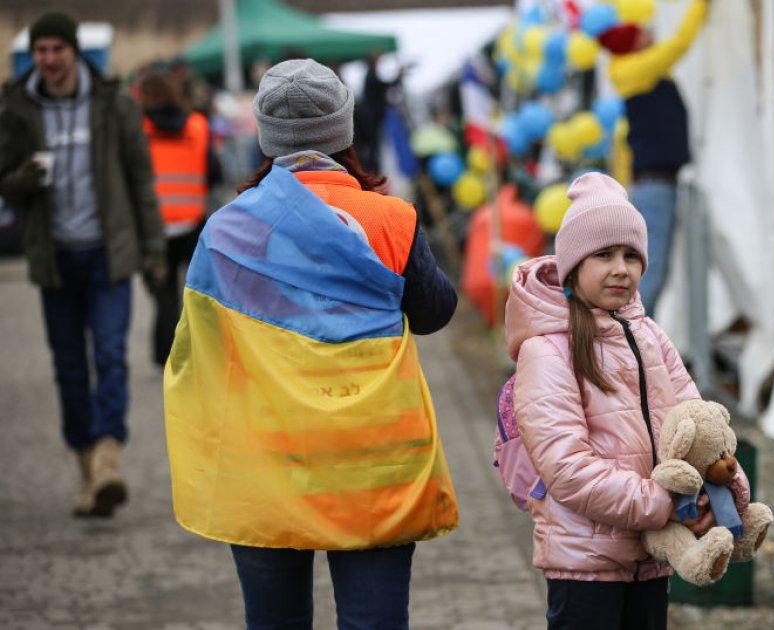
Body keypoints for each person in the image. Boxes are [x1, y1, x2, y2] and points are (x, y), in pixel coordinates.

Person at [163, 59, 458, 630]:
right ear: (343, 130)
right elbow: (435, 313)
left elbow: (196, 344)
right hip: (375, 464)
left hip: (267, 462)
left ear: (266, 134)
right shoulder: (391, 219)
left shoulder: (226, 230)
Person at [503, 172, 752, 629]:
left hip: (651, 555)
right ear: (573, 265)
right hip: (586, 560)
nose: (621, 268)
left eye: (632, 256)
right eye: (603, 254)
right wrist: (662, 503)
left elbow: (699, 426)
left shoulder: (649, 334)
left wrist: (718, 490)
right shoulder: (548, 349)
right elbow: (566, 467)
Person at [0, 12, 165, 518]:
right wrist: (24, 178)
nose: (49, 60)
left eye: (57, 49)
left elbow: (141, 178)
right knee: (69, 367)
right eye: (40, 51)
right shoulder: (17, 108)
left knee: (112, 357)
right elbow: (4, 180)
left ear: (74, 52)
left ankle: (108, 461)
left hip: (106, 254)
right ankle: (86, 467)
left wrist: (154, 250)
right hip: (55, 258)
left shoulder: (113, 103)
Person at [605, 0, 710, 316]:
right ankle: (628, 339)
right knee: (651, 271)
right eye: (642, 35)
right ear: (632, 46)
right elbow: (679, 45)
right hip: (655, 186)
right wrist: (702, 6)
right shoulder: (635, 70)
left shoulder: (635, 71)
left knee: (652, 268)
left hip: (654, 184)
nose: (649, 36)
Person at [137, 71, 222, 366]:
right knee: (195, 292)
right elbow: (214, 171)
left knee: (163, 295)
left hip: (153, 226)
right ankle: (194, 351)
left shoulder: (139, 128)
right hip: (191, 221)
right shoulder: (198, 125)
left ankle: (165, 354)